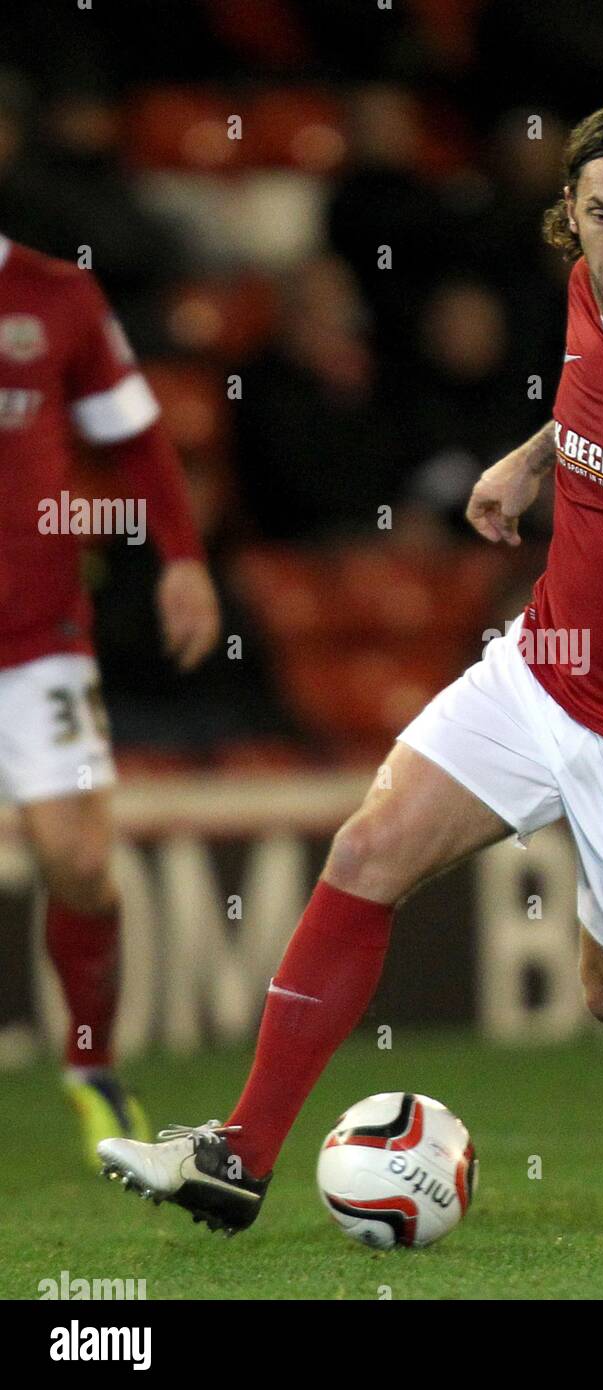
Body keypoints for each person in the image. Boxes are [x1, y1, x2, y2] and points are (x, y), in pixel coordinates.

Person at [99, 96, 603, 1239]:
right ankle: (238, 1155)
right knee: (366, 847)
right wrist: (533, 452)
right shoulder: (590, 287)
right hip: (542, 673)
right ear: (571, 218)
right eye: (600, 216)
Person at [0, 233, 220, 1164]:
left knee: (81, 864)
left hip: (38, 635)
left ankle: (92, 1067)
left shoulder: (55, 295)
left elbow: (132, 428)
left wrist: (181, 556)